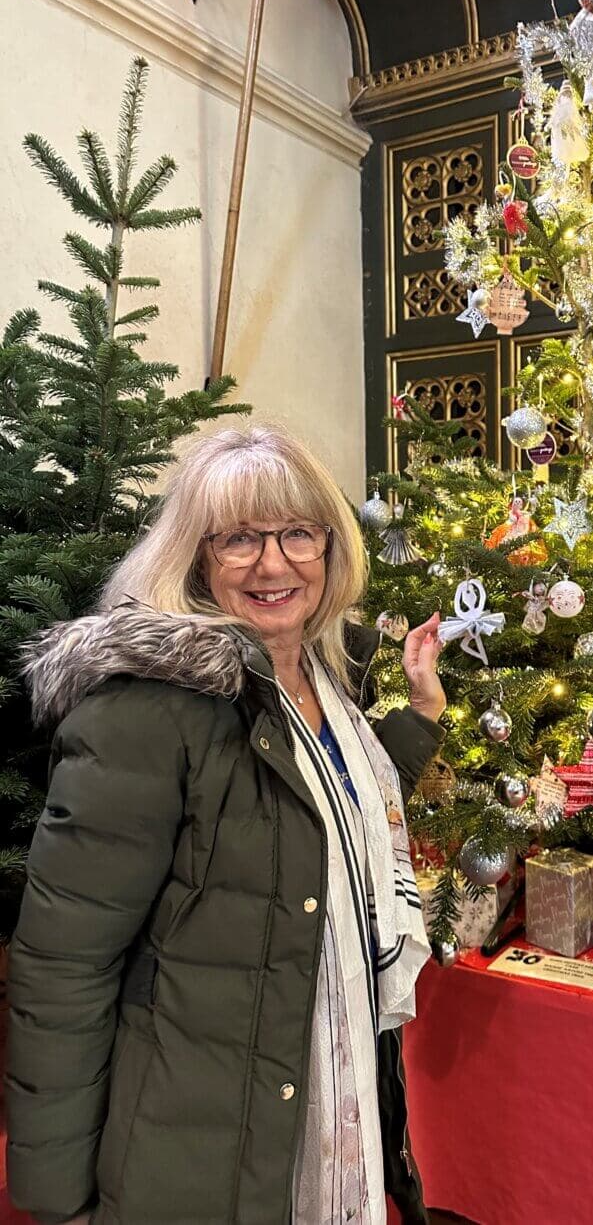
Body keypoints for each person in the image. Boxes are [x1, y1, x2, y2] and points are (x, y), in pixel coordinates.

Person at [5, 425, 447, 1225]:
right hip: (194, 1153)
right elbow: (62, 970)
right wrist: (55, 1199)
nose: (274, 563)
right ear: (195, 555)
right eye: (240, 537)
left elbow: (329, 826)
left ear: (329, 544)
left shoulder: (317, 672)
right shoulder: (148, 708)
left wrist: (419, 717)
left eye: (296, 533)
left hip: (316, 1106)